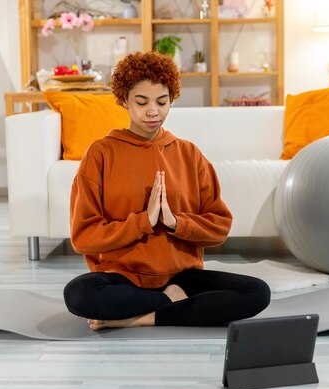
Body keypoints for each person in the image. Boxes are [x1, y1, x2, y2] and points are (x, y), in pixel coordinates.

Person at [63, 51, 270, 331]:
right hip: (124, 276)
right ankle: (168, 302)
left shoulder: (189, 154)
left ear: (171, 99)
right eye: (141, 101)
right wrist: (143, 222)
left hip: (183, 278)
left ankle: (143, 316)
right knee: (78, 294)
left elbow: (219, 227)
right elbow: (83, 236)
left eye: (162, 102)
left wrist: (175, 223)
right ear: (123, 100)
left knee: (257, 293)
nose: (153, 111)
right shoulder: (101, 154)